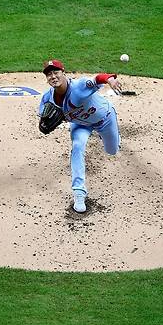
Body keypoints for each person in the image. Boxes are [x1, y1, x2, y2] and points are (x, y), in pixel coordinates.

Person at [38, 59, 123, 213]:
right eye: (49, 74)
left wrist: (110, 79)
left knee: (112, 150)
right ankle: (79, 193)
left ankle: (115, 138)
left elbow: (97, 79)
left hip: (105, 118)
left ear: (63, 72)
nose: (53, 76)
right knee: (77, 147)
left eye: (56, 72)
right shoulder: (47, 98)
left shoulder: (79, 86)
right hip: (80, 125)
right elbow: (43, 116)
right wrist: (44, 123)